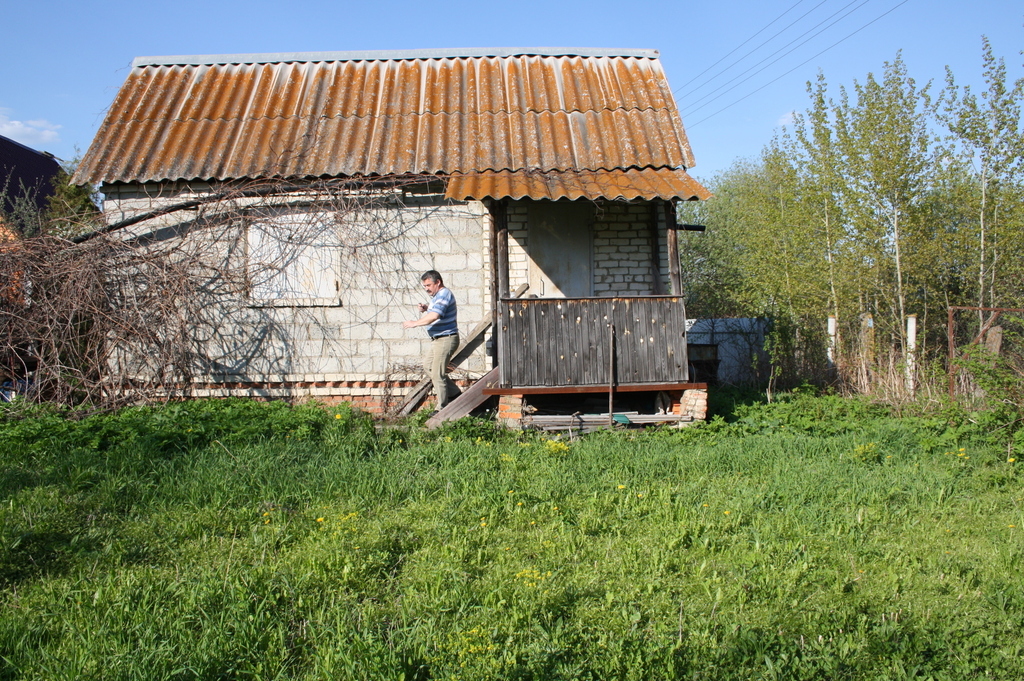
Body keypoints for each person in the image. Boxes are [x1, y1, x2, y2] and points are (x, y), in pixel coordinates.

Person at [403, 270, 459, 409]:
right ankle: (455, 393)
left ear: (438, 282)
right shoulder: (437, 296)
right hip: (438, 339)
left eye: (428, 285)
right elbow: (437, 310)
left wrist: (415, 322)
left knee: (437, 373)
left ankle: (442, 408)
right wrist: (427, 308)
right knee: (428, 366)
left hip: (446, 338)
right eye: (425, 286)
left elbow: (435, 316)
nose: (426, 288)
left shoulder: (444, 293)